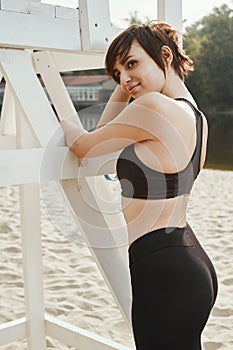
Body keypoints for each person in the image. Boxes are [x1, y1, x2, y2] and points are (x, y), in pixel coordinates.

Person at [61, 22, 218, 350]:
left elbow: (86, 147)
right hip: (188, 261)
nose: (124, 78)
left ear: (164, 55)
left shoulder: (153, 108)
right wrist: (130, 79)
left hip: (163, 270)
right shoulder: (197, 119)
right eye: (117, 73)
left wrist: (65, 125)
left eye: (131, 63)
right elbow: (110, 133)